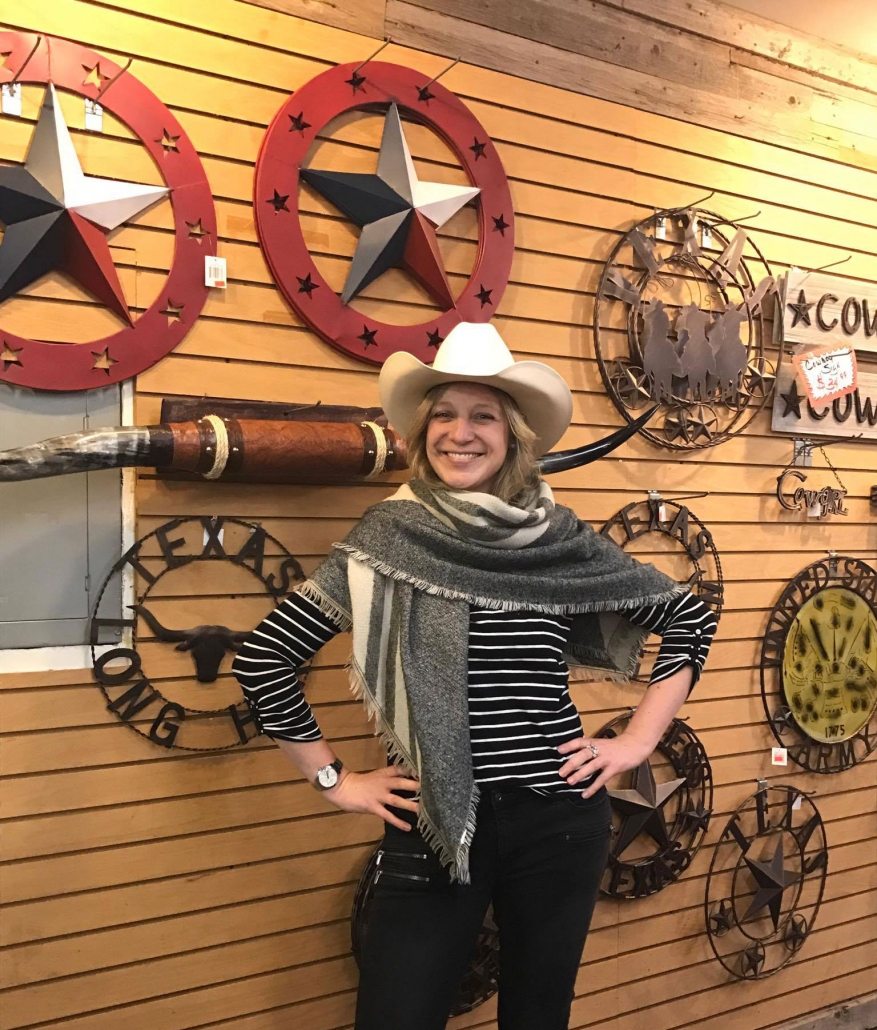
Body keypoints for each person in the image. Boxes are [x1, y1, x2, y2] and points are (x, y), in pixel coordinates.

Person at [232, 322, 717, 1030]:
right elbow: (263, 660)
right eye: (444, 416)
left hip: (559, 818)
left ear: (512, 435)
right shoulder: (389, 538)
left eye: (482, 416)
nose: (460, 434)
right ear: (423, 432)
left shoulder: (558, 540)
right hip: (431, 819)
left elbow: (687, 617)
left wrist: (638, 741)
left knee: (536, 1016)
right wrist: (335, 781)